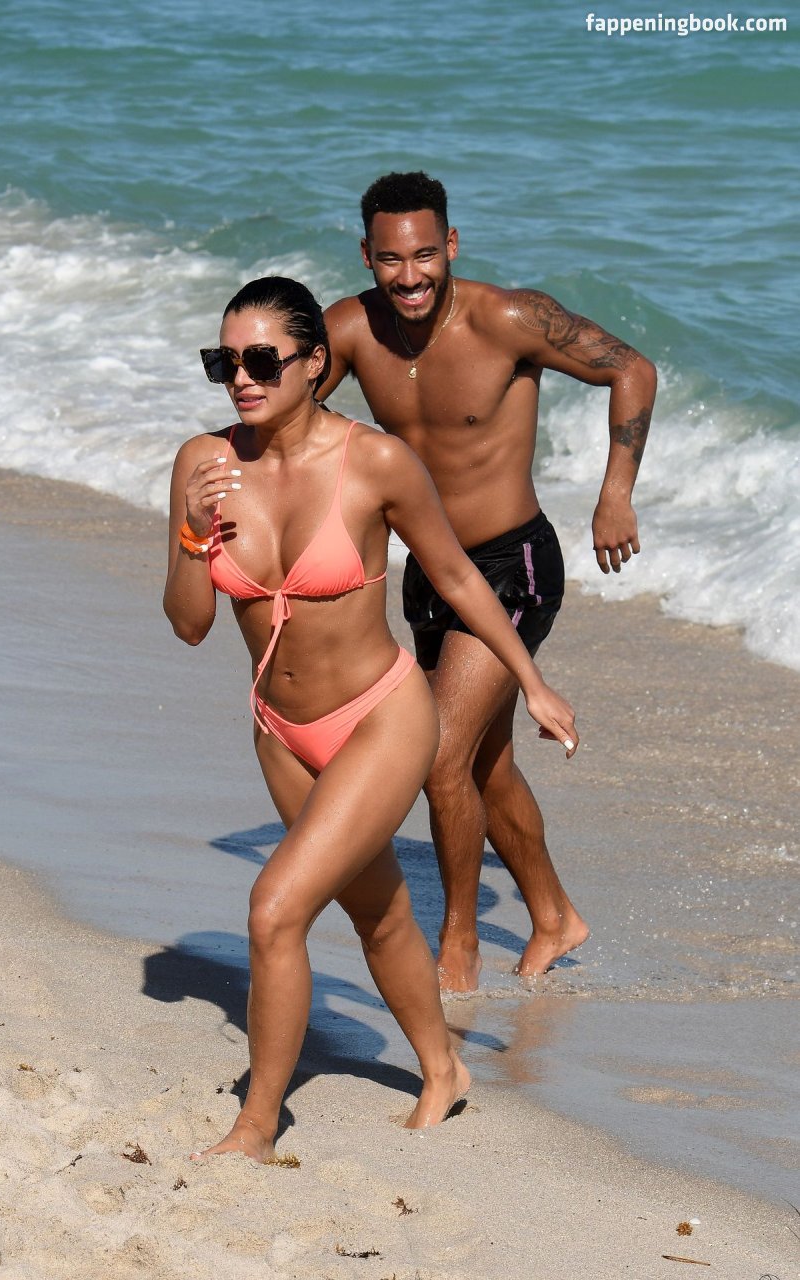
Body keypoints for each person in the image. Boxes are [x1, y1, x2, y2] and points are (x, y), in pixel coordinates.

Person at [163, 276, 578, 1161]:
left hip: (381, 717)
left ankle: (256, 1125)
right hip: (280, 730)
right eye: (223, 363)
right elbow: (190, 624)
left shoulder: (376, 461)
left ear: (315, 362)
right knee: (378, 914)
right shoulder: (204, 464)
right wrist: (196, 535)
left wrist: (532, 681)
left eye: (262, 360)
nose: (242, 379)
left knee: (274, 907)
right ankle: (443, 1068)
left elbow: (458, 575)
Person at [318, 171, 657, 989]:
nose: (410, 277)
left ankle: (458, 943)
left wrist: (615, 494)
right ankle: (554, 916)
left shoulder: (508, 319)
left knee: (438, 756)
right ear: (366, 256)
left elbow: (632, 370)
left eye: (425, 256)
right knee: (482, 765)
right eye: (391, 260)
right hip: (428, 573)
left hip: (513, 566)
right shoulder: (351, 331)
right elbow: (287, 412)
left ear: (451, 245)